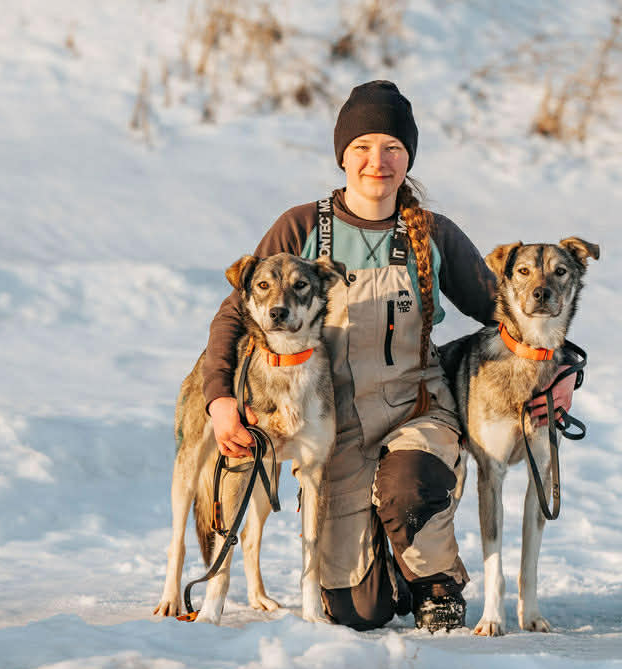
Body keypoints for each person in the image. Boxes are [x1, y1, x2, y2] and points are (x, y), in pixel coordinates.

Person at [201, 80, 575, 631]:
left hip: (417, 411)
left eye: (392, 148)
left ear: (408, 158)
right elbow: (236, 315)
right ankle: (385, 562)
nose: (377, 161)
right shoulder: (302, 227)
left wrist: (564, 371)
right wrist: (219, 399)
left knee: (410, 488)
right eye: (362, 147)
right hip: (336, 425)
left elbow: (512, 311)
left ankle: (436, 581)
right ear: (342, 155)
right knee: (359, 612)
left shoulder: (433, 233)